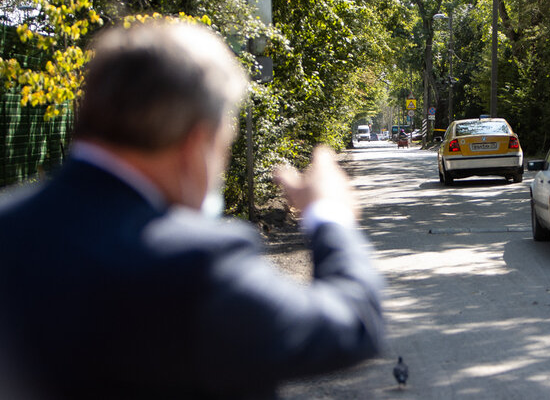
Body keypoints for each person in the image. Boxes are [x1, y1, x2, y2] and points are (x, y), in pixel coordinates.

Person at [0, 22, 385, 399]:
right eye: (223, 146)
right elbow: (351, 325)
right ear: (197, 142)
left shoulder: (9, 226)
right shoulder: (195, 261)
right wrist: (328, 213)